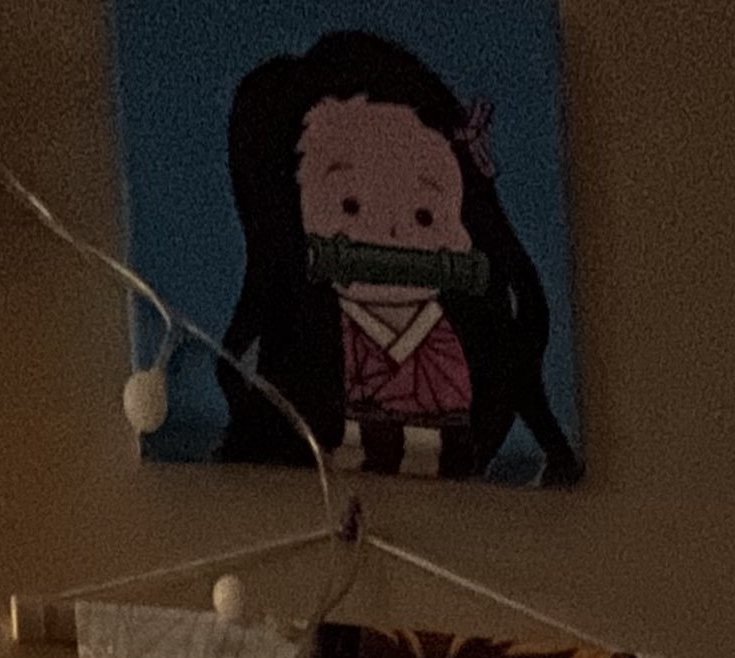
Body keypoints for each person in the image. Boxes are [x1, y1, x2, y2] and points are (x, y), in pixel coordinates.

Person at [219, 28, 580, 484]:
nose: (391, 233)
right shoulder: (307, 355)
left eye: (424, 214)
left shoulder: (465, 352)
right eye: (350, 206)